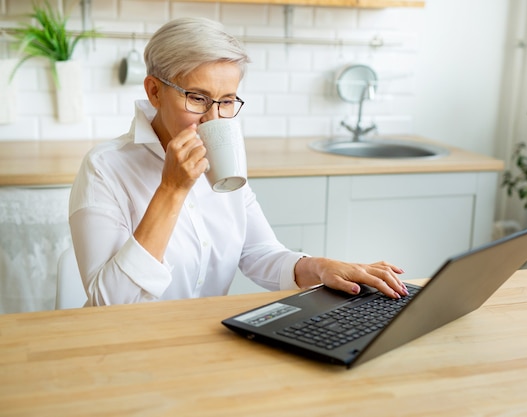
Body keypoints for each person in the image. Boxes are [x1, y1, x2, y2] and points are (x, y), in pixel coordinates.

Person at [68, 17, 408, 306]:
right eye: (198, 98)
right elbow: (108, 303)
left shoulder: (226, 151)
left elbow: (258, 253)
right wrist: (171, 190)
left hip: (206, 343)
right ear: (154, 91)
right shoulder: (104, 168)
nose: (213, 118)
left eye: (227, 101)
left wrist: (320, 267)